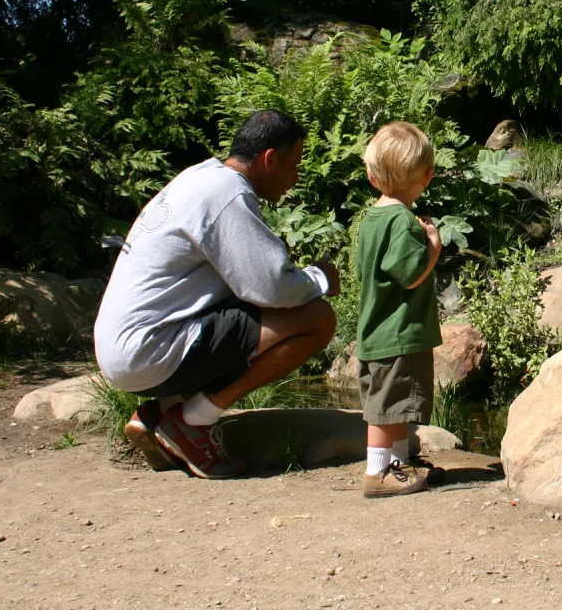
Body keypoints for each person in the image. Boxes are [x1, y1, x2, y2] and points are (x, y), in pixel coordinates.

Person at [93, 109, 339, 479]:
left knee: (241, 310)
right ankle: (192, 423)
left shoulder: (199, 178)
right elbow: (270, 287)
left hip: (124, 348)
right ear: (269, 159)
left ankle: (160, 413)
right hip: (149, 351)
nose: (295, 178)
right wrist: (321, 278)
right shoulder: (227, 195)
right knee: (318, 320)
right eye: (293, 166)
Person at [355, 121, 443, 497]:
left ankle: (399, 462)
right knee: (388, 406)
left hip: (376, 329)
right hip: (399, 331)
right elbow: (409, 276)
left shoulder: (371, 219)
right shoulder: (403, 222)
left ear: (371, 176)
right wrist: (434, 248)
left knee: (393, 403)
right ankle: (378, 473)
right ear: (427, 176)